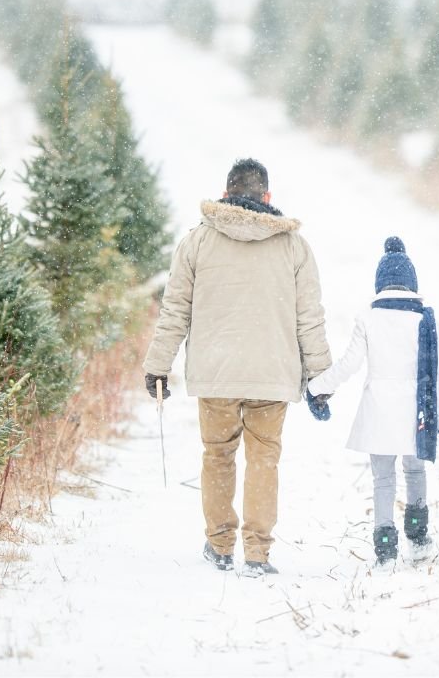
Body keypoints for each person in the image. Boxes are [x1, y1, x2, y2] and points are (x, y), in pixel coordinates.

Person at [142, 158, 331, 578]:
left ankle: (220, 545)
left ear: (226, 193)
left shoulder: (198, 242)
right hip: (272, 375)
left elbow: (175, 310)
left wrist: (158, 366)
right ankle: (258, 553)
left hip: (216, 373)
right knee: (264, 460)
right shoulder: (294, 247)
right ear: (266, 197)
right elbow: (310, 318)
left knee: (218, 456)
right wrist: (320, 375)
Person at [307, 237, 439, 568]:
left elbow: (348, 364)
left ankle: (385, 547)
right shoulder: (425, 319)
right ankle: (417, 539)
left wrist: (318, 387)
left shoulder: (368, 318)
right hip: (417, 412)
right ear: (412, 284)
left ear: (380, 284)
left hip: (380, 414)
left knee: (383, 478)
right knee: (415, 470)